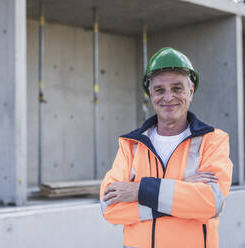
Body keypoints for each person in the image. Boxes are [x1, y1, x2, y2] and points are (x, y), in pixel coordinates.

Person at [100, 47, 233, 248]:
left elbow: (211, 203)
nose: (168, 97)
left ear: (191, 90)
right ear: (151, 95)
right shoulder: (130, 145)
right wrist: (182, 188)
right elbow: (109, 207)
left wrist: (140, 190)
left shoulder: (213, 140)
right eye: (159, 90)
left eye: (177, 88)